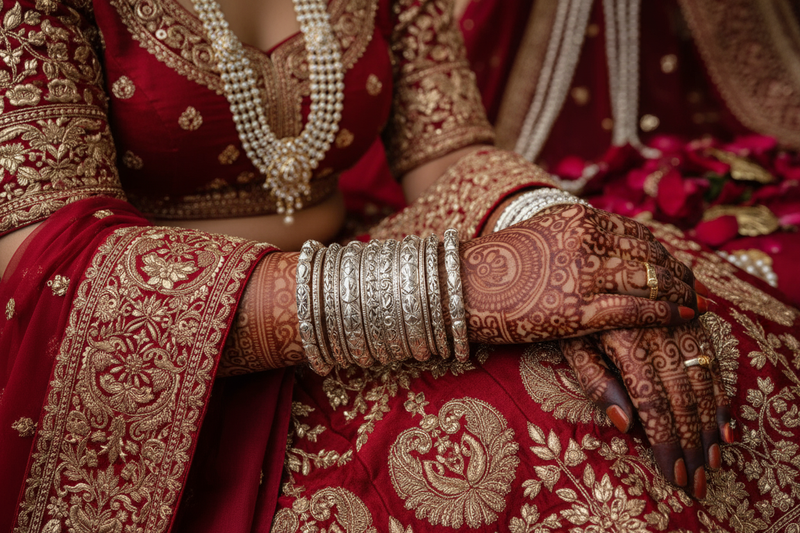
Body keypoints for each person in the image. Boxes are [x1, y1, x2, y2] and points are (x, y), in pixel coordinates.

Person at [0, 1, 790, 533]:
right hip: (183, 356)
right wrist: (461, 288)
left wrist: (552, 236)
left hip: (373, 255)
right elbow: (49, 260)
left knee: (693, 327)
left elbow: (446, 150)